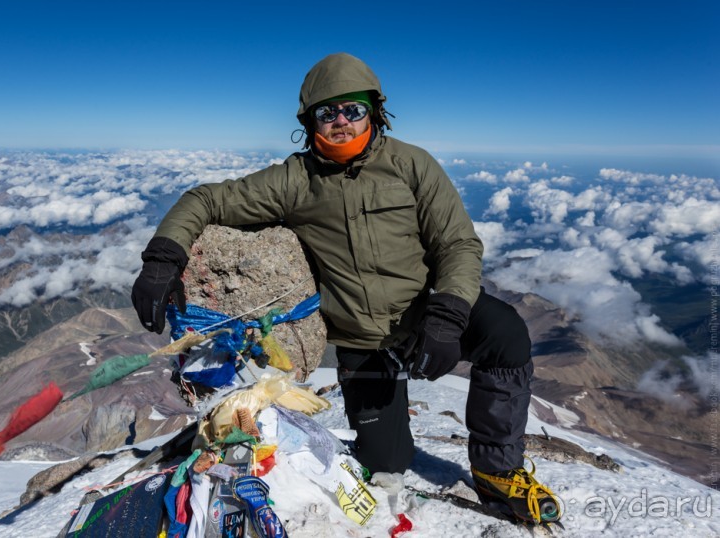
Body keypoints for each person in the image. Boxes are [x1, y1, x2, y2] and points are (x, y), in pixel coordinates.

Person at [131, 53, 560, 525]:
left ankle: (498, 473)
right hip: (362, 341)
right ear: (308, 120)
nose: (340, 121)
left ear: (375, 111)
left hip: (424, 315)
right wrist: (163, 257)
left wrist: (448, 314)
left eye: (352, 109)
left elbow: (457, 243)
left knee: (506, 333)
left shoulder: (413, 166)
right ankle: (387, 433)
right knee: (386, 464)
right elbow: (207, 199)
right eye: (326, 111)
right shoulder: (296, 179)